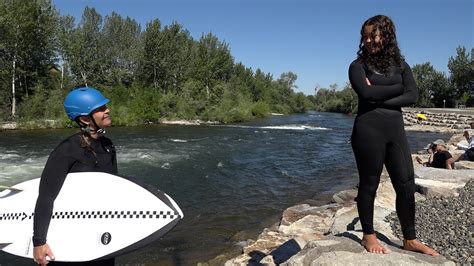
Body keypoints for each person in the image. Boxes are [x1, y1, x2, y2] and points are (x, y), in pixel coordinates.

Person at [349, 15, 439, 255]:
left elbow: (412, 95)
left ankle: (410, 239)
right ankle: (368, 235)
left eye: (373, 35)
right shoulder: (358, 66)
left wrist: (378, 91)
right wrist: (396, 87)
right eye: (365, 36)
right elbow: (367, 95)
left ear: (386, 36)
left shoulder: (401, 65)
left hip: (395, 131)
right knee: (370, 184)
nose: (368, 41)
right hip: (368, 131)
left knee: (406, 184)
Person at [33, 87, 117, 266]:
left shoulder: (108, 145)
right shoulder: (67, 151)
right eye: (101, 108)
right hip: (72, 237)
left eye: (105, 106)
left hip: (101, 234)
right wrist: (39, 242)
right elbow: (46, 197)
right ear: (86, 118)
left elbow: (114, 187)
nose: (107, 110)